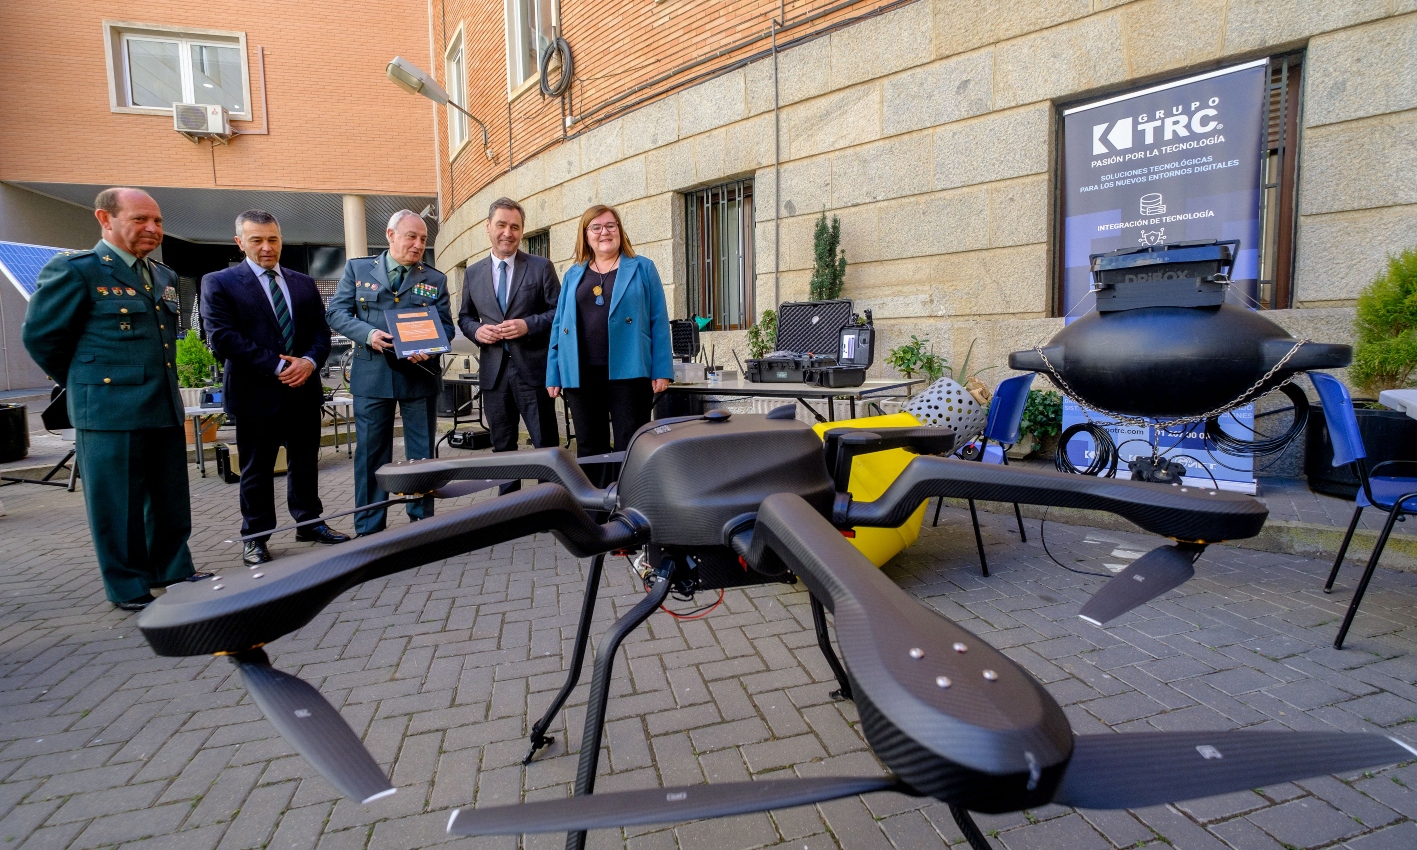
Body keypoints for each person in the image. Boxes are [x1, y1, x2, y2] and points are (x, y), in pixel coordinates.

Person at [22, 188, 211, 611]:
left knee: (169, 498)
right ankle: (128, 585)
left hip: (160, 403)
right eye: (140, 219)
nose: (152, 229)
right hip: (108, 409)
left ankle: (173, 569)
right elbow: (42, 337)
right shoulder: (78, 271)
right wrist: (84, 382)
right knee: (117, 503)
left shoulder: (161, 275)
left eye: (158, 221)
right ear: (105, 220)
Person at [200, 209, 350, 566]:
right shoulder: (218, 282)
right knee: (256, 469)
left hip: (303, 389)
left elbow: (320, 333)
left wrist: (309, 362)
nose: (267, 247)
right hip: (256, 394)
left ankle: (309, 523)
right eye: (257, 240)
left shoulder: (303, 283)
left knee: (305, 464)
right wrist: (280, 365)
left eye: (273, 239)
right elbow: (222, 338)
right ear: (240, 242)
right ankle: (256, 536)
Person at [326, 210, 455, 536]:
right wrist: (368, 334)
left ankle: (422, 525)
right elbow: (337, 312)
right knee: (371, 455)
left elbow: (446, 327)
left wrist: (435, 345)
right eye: (411, 236)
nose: (417, 244)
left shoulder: (435, 278)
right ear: (390, 234)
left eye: (423, 239)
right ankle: (369, 529)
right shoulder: (358, 269)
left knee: (421, 457)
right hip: (373, 376)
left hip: (419, 376)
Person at [546, 204, 673, 465]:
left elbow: (658, 320)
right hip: (581, 373)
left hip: (629, 370)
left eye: (610, 226)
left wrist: (661, 368)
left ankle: (628, 502)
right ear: (586, 235)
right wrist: (553, 373)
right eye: (596, 227)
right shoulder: (573, 274)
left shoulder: (642, 268)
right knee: (589, 444)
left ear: (619, 231)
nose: (604, 232)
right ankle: (595, 505)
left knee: (631, 442)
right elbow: (559, 326)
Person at [458, 198, 560, 452]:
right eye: (501, 225)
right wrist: (477, 331)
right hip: (494, 375)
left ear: (522, 231)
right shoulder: (472, 273)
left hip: (534, 373)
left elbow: (560, 312)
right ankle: (509, 494)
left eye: (515, 227)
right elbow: (465, 318)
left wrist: (528, 325)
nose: (508, 233)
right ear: (488, 227)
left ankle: (551, 493)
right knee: (502, 449)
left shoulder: (540, 267)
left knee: (545, 446)